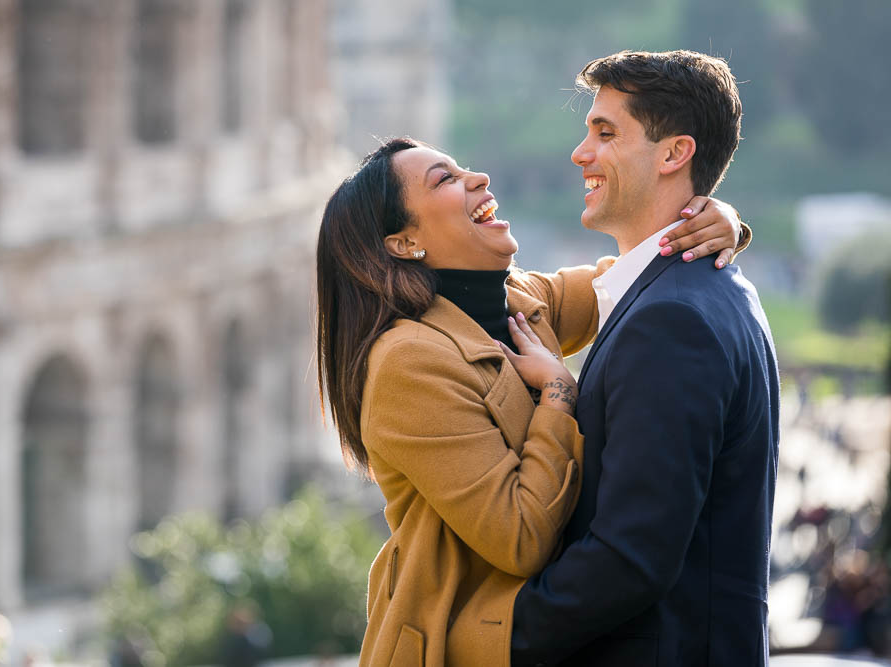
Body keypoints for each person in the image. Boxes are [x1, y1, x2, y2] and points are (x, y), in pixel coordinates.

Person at [315, 134, 749, 666]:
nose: (477, 178)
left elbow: (631, 279)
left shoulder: (519, 298)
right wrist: (557, 392)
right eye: (445, 180)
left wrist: (714, 221)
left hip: (537, 638)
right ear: (404, 243)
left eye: (461, 166)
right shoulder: (408, 362)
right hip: (459, 643)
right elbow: (520, 536)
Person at [506, 50, 780, 666]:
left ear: (673, 153)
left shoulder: (671, 319)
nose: (580, 153)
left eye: (606, 133)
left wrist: (489, 632)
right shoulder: (705, 290)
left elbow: (630, 558)